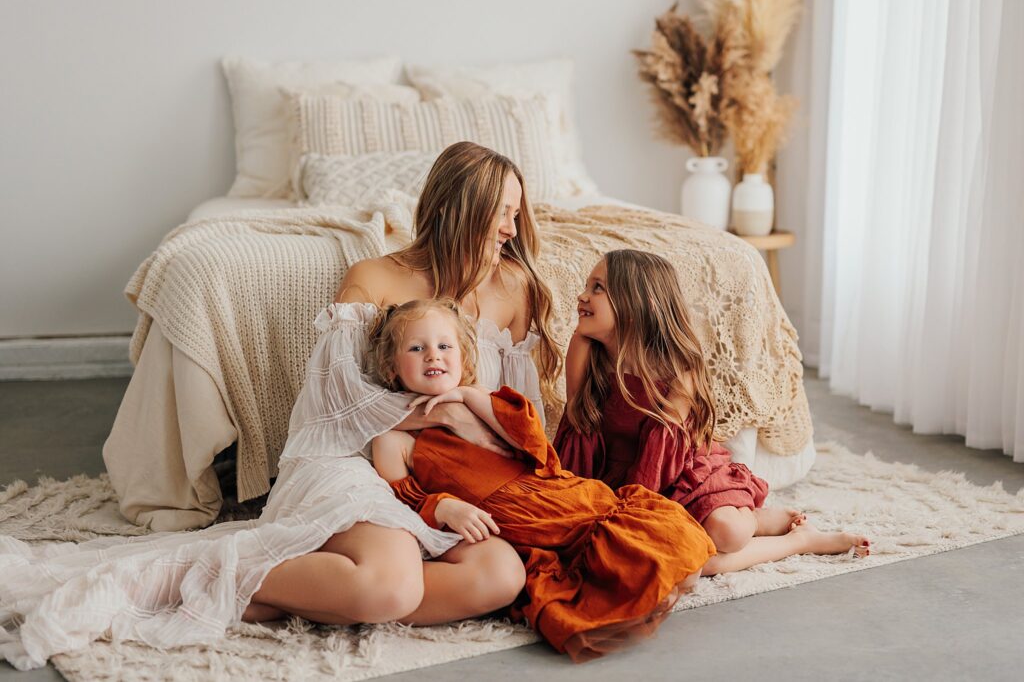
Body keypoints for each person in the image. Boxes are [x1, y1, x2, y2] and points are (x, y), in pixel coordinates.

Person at [0, 142, 560, 671]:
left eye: (516, 213)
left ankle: (303, 593)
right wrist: (446, 413)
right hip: (352, 461)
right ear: (461, 211)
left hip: (438, 473)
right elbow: (335, 402)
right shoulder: (375, 278)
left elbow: (515, 408)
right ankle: (221, 577)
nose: (511, 230)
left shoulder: (514, 288)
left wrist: (476, 453)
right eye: (501, 214)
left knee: (498, 575)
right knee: (393, 585)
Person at [366, 299, 713, 661]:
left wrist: (469, 395)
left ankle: (777, 542)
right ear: (393, 367)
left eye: (444, 346)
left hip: (562, 498)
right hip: (522, 529)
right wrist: (443, 506)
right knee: (650, 582)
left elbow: (534, 444)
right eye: (417, 348)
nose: (432, 357)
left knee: (682, 558)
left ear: (464, 359)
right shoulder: (394, 440)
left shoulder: (481, 401)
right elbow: (399, 504)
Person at [553, 250, 870, 576]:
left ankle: (783, 533)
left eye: (598, 288)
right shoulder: (584, 347)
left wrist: (637, 517)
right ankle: (780, 531)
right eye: (587, 286)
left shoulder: (679, 368)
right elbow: (579, 431)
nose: (582, 295)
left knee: (727, 534)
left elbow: (660, 457)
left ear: (635, 305)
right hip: (614, 479)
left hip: (678, 474)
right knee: (680, 564)